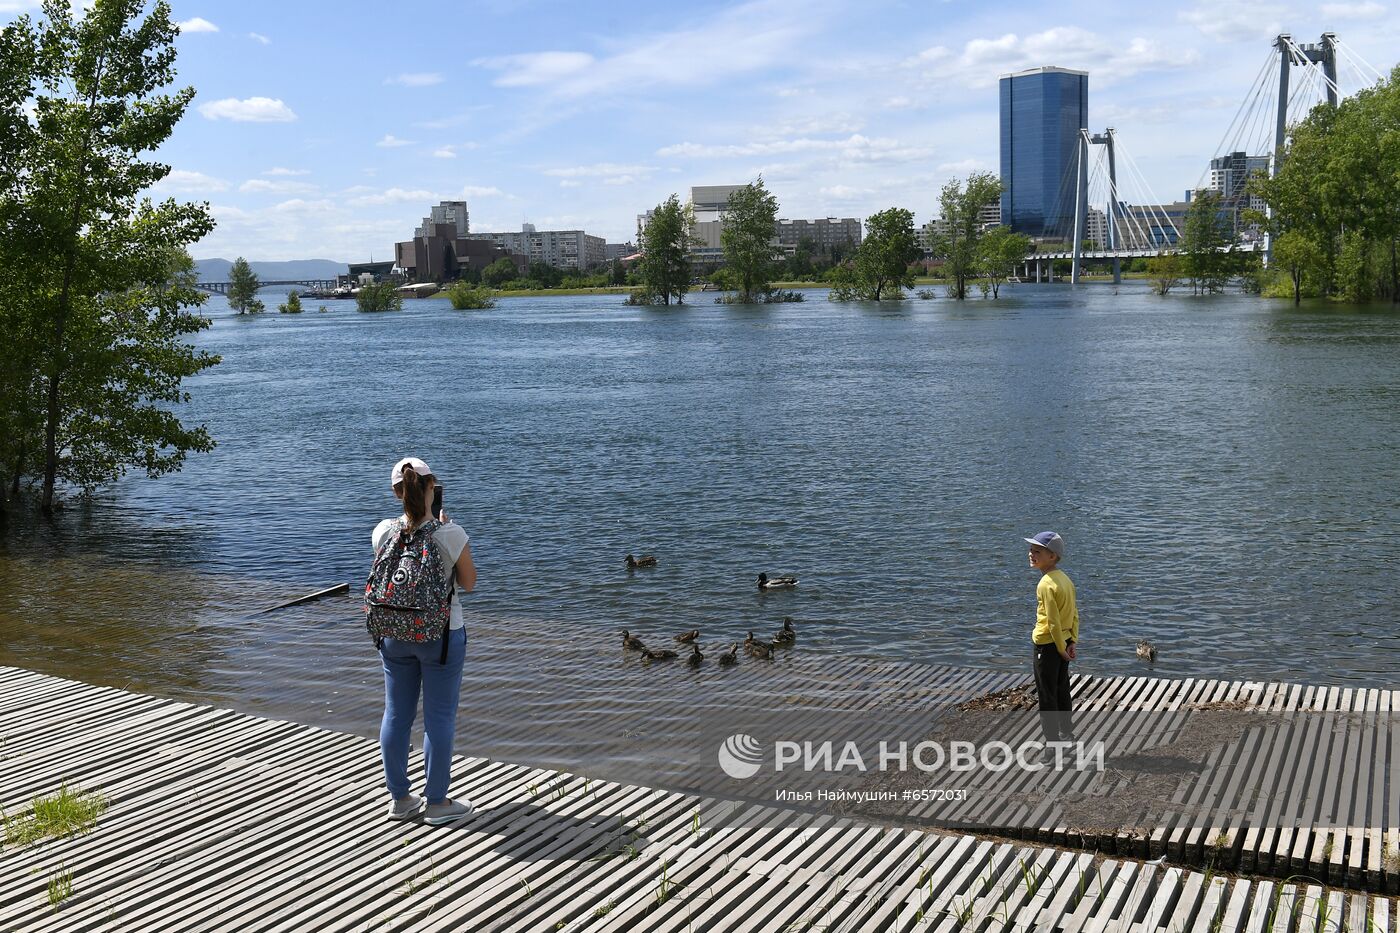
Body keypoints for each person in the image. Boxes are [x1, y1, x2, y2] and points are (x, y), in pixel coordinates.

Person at [372, 456, 477, 825]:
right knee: (439, 717)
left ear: (396, 492)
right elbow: (468, 583)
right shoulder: (451, 534)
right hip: (441, 636)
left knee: (396, 714)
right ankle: (436, 803)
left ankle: (400, 799)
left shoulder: (383, 531)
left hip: (394, 634)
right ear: (432, 487)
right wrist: (446, 527)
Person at [1024, 531, 1078, 747]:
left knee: (1047, 696)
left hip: (1047, 646)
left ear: (1052, 556)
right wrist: (1071, 640)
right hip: (1063, 642)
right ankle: (1067, 735)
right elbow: (1074, 613)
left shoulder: (1045, 584)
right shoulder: (1065, 579)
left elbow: (1053, 622)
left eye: (1037, 551)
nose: (1031, 554)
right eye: (1030, 550)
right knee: (1061, 689)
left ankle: (1052, 745)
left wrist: (1059, 648)